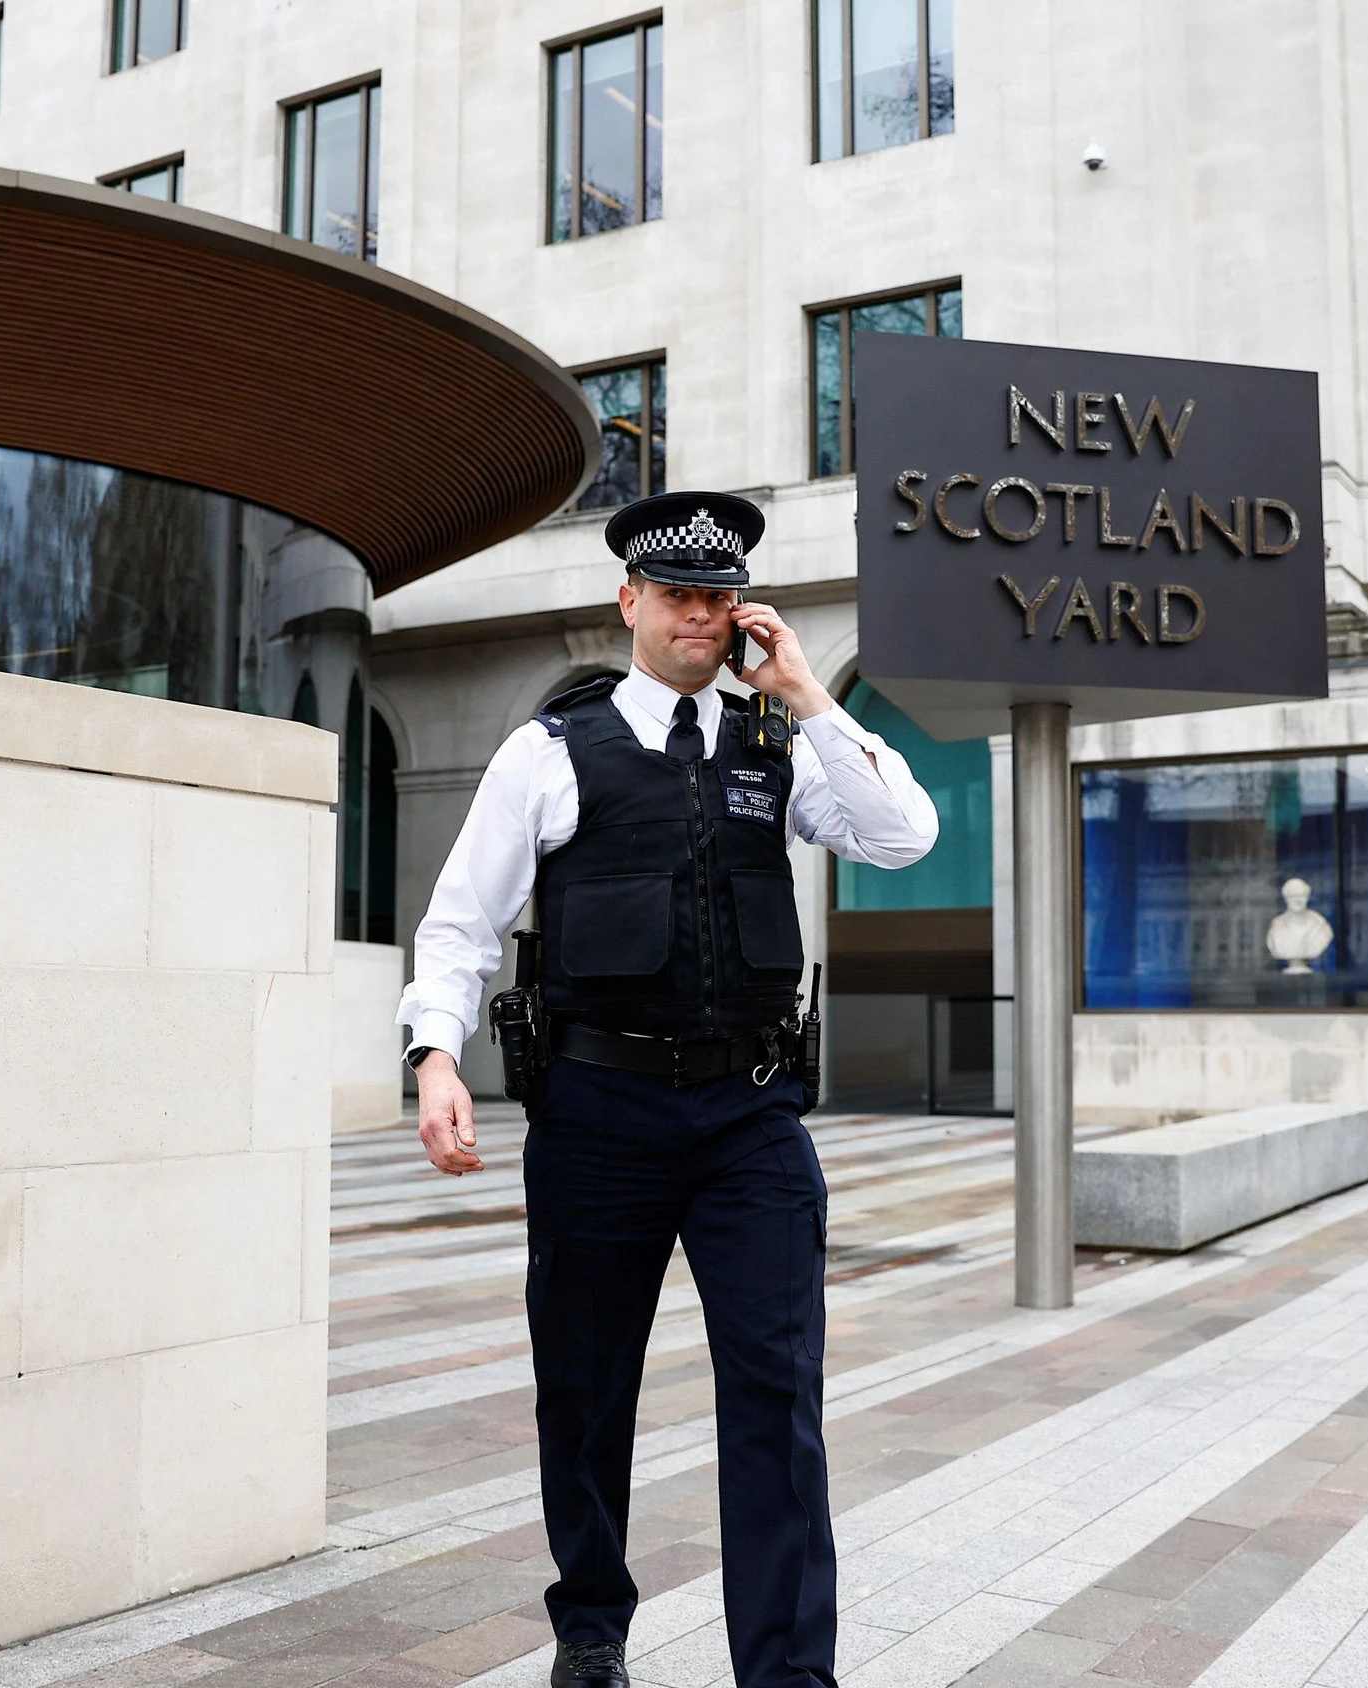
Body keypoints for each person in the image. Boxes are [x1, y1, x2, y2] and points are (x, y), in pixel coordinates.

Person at [399, 491, 940, 1688]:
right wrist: (435, 1053)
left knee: (776, 1395)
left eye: (719, 595)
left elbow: (906, 835)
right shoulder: (549, 749)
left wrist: (805, 690)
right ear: (630, 601)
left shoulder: (777, 744)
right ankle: (591, 1626)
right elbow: (460, 920)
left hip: (749, 1116)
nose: (701, 614)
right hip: (600, 1113)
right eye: (679, 594)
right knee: (585, 1389)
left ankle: (789, 1672)